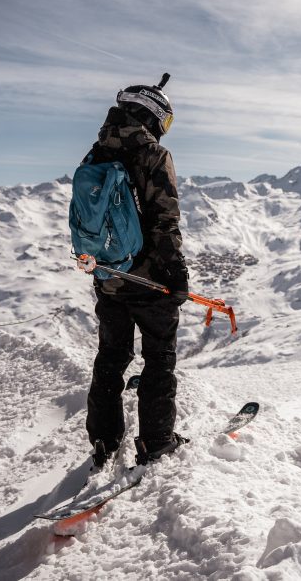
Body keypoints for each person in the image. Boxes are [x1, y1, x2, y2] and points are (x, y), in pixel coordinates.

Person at [82, 74, 190, 468]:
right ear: (154, 116)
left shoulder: (95, 154)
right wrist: (176, 276)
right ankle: (157, 440)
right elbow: (165, 222)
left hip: (109, 276)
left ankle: (103, 438)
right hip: (150, 281)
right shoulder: (154, 156)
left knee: (111, 355)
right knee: (159, 357)